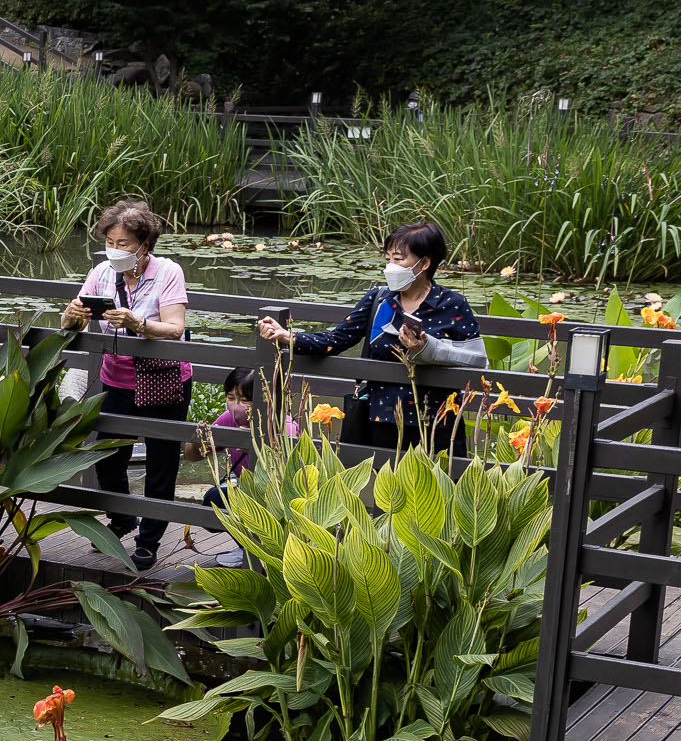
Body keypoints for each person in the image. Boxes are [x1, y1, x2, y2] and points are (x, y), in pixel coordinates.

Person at [256, 220, 484, 454]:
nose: (390, 266)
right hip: (382, 417)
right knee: (385, 488)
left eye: (398, 259)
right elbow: (337, 339)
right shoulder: (380, 299)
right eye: (387, 259)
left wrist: (425, 348)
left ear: (424, 263)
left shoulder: (452, 304)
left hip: (437, 420)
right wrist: (288, 336)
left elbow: (475, 359)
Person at [62, 199, 191, 571]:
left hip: (163, 381)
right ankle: (121, 518)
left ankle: (148, 541)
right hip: (115, 379)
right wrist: (72, 316)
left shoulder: (168, 271)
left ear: (144, 244)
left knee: (161, 463)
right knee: (107, 458)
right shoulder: (102, 272)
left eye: (124, 244)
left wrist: (137, 324)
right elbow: (74, 325)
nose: (115, 250)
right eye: (111, 242)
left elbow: (175, 328)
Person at [189, 366, 282, 568]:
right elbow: (192, 455)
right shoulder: (228, 419)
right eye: (231, 398)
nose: (236, 406)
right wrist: (201, 440)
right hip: (244, 490)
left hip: (277, 494)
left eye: (245, 400)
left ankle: (273, 553)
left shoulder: (283, 425)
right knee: (214, 498)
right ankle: (245, 547)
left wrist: (256, 451)